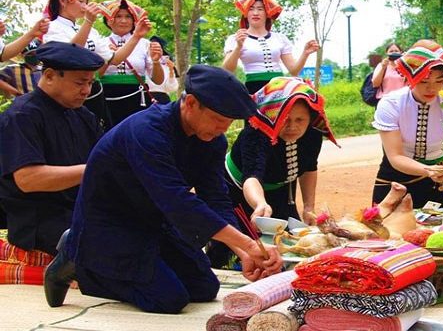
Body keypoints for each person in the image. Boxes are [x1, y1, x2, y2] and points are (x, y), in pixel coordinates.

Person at [44, 65, 283, 314]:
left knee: (204, 288)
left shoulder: (212, 140)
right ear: (190, 103)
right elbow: (177, 201)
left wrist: (244, 252)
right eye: (218, 120)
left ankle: (98, 257)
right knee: (168, 299)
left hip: (154, 222)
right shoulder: (147, 131)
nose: (222, 129)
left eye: (228, 123)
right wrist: (248, 243)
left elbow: (215, 197)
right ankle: (78, 257)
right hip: (110, 224)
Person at [207, 76, 337, 268]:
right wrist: (260, 203)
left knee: (289, 241)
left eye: (300, 119)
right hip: (236, 190)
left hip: (282, 191)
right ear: (273, 116)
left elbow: (309, 167)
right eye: (285, 120)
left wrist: (309, 206)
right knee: (235, 246)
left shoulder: (313, 134)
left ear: (310, 118)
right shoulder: (257, 132)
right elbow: (252, 177)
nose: (293, 126)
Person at [0, 42, 105, 256]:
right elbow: (28, 179)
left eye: (90, 83)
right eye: (80, 83)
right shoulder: (23, 116)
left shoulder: (83, 116)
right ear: (49, 76)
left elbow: (109, 156)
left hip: (82, 210)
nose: (86, 90)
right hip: (40, 220)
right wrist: (91, 169)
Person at [42, 0, 152, 129]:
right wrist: (88, 22)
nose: (85, 5)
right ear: (63, 1)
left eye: (85, 1)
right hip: (65, 94)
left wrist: (136, 36)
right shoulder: (52, 28)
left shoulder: (91, 31)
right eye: (81, 0)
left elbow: (114, 59)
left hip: (92, 93)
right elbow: (67, 55)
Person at [371, 39, 443, 208]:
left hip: (440, 179)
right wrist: (427, 170)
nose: (431, 88)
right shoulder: (391, 104)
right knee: (385, 232)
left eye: (439, 81)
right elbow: (395, 156)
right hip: (395, 180)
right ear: (410, 77)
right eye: (424, 81)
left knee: (440, 232)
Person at [222, 0, 319, 93]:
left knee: (306, 96)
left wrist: (305, 53)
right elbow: (227, 70)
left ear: (267, 13)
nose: (255, 13)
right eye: (251, 9)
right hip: (254, 88)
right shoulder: (236, 38)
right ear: (246, 14)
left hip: (280, 85)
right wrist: (238, 47)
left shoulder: (280, 38)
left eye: (260, 9)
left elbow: (294, 70)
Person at [97, 0, 164, 124]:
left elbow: (158, 80)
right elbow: (95, 76)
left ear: (134, 21)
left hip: (137, 98)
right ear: (109, 20)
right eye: (118, 16)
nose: (123, 20)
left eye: (128, 16)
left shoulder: (145, 44)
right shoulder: (100, 43)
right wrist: (108, 59)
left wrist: (156, 62)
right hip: (107, 98)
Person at [147, 36, 180, 104]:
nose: (154, 49)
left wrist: (171, 70)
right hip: (144, 97)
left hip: (162, 100)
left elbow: (171, 88)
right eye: (151, 47)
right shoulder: (142, 60)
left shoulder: (166, 63)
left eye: (157, 47)